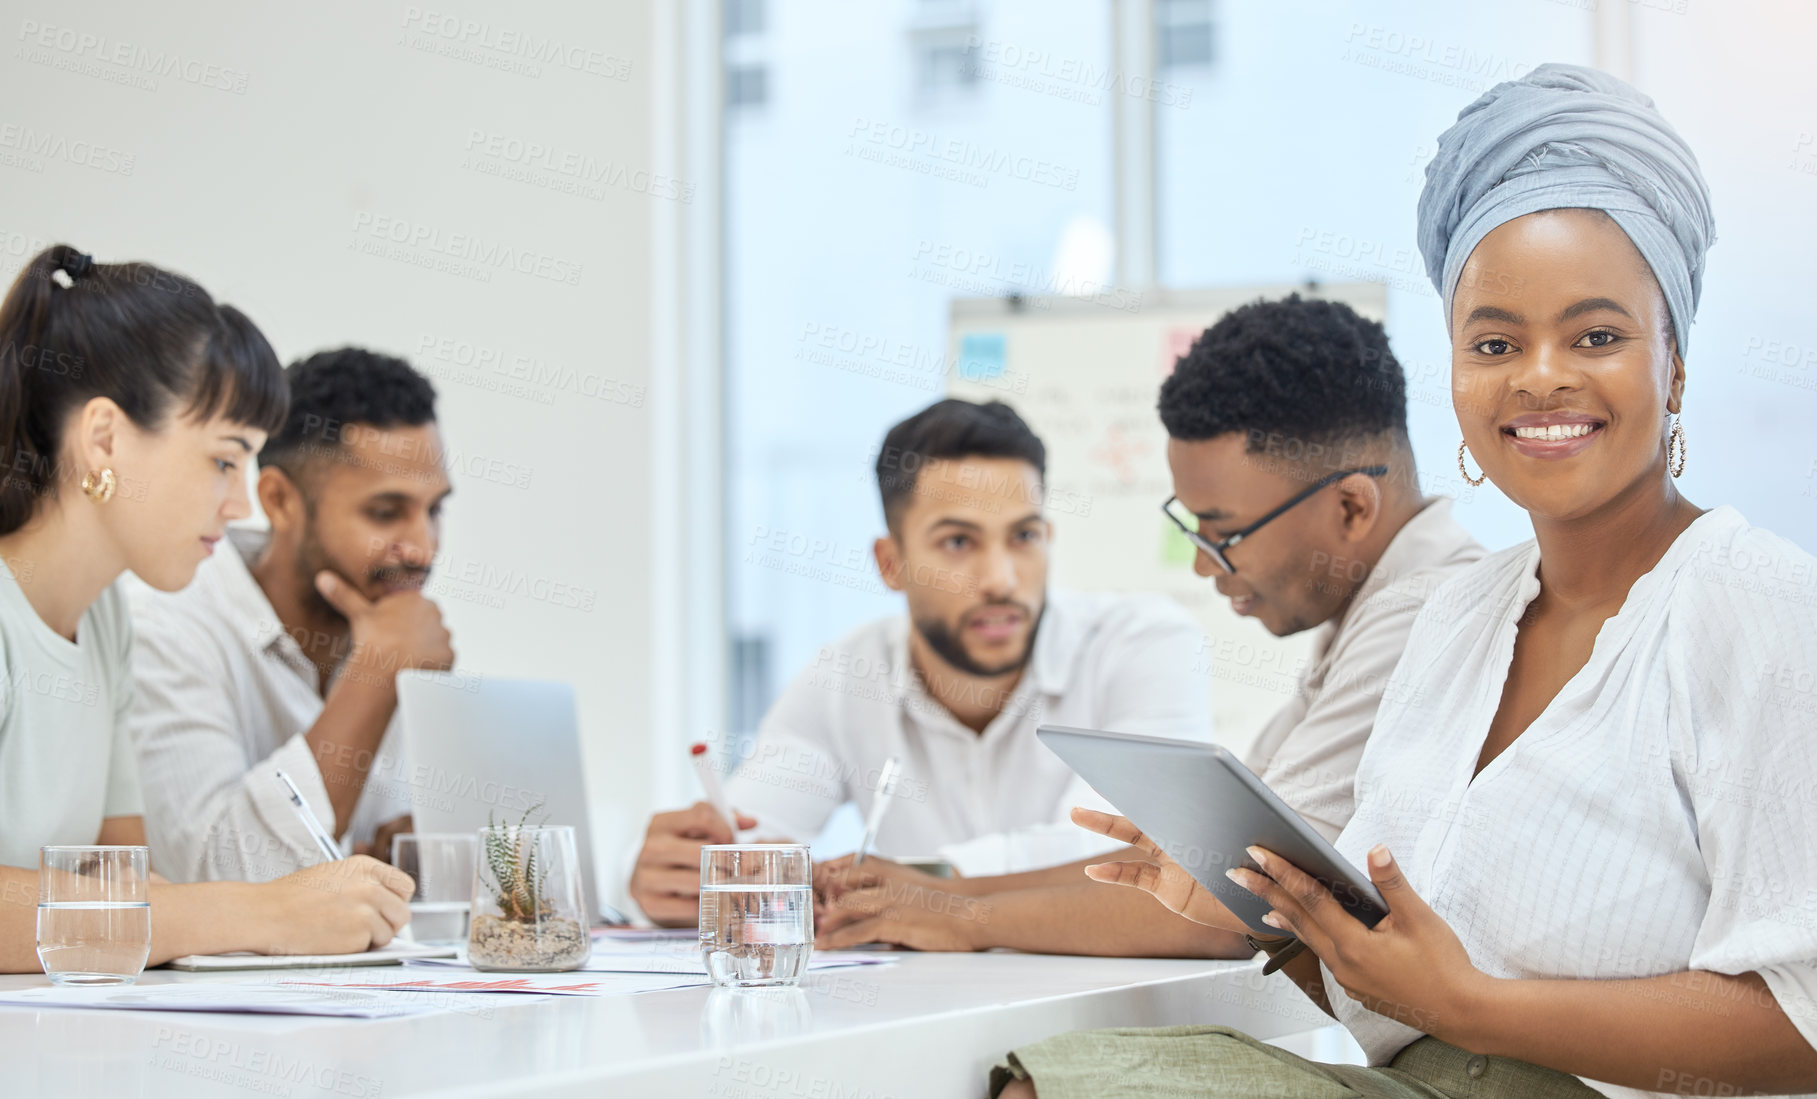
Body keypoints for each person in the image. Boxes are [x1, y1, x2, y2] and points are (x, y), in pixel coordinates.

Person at [993, 64, 1817, 1099]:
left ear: (1674, 365)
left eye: (1595, 335)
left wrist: (1468, 1004)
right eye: (1493, 342)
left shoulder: (1761, 611)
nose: (1539, 375)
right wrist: (1263, 914)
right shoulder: (1456, 618)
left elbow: (1801, 1022)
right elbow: (1385, 993)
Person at [815, 296, 1483, 956]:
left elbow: (1245, 902)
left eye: (1222, 535)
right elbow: (1196, 864)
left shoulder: (1422, 616)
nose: (1199, 564)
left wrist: (959, 915)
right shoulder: (1374, 614)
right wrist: (948, 894)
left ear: (1349, 507)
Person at [628, 397, 1211, 926]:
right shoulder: (846, 675)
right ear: (890, 563)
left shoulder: (1142, 645)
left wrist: (921, 885)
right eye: (958, 543)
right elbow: (753, 842)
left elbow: (1127, 854)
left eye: (1024, 537)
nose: (1001, 580)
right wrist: (695, 875)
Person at [0, 245, 412, 973]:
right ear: (105, 439)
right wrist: (265, 910)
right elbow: (145, 910)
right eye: (224, 459)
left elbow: (122, 886)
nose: (242, 502)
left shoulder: (105, 622)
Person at [128, 349, 453, 881]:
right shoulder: (165, 624)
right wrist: (377, 676)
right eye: (386, 513)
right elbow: (211, 882)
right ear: (278, 500)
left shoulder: (400, 628)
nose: (422, 547)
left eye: (434, 509)